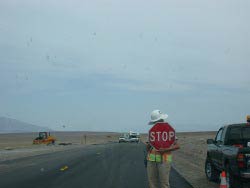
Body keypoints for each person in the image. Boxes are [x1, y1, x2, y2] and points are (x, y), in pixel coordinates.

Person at [146, 110, 180, 188]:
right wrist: (149, 144)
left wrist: (165, 150)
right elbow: (148, 148)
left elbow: (177, 146)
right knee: (152, 182)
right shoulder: (152, 131)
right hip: (151, 160)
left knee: (164, 183)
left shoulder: (168, 131)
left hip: (164, 160)